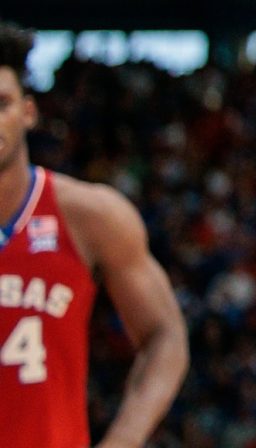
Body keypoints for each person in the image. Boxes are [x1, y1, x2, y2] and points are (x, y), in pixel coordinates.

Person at [0, 23, 188, 448]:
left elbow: (166, 334)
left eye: (2, 103)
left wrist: (122, 440)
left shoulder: (90, 216)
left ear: (28, 112)